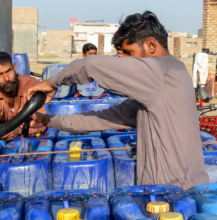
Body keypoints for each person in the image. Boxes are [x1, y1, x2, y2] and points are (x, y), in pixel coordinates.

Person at [26, 11, 209, 189]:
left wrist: (53, 83)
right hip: (186, 190)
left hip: (173, 195)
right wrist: (49, 120)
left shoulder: (160, 71)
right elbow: (102, 119)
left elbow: (91, 65)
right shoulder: (171, 78)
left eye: (129, 53)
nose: (124, 60)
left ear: (151, 45)